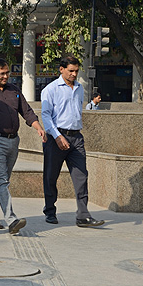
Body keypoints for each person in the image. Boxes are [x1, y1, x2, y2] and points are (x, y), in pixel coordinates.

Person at [0, 58, 46, 234]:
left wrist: (38, 127)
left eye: (8, 73)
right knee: (2, 180)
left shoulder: (14, 90)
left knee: (1, 180)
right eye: (2, 73)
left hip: (14, 141)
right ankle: (11, 219)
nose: (6, 76)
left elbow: (27, 111)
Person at [41, 56, 104, 228]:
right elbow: (45, 115)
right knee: (51, 176)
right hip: (56, 138)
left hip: (76, 138)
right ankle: (50, 210)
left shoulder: (79, 88)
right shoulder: (50, 89)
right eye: (71, 71)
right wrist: (57, 136)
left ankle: (83, 215)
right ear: (61, 69)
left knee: (81, 175)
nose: (74, 74)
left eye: (76, 71)